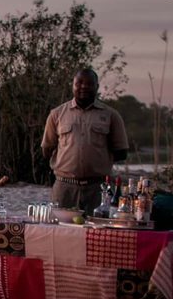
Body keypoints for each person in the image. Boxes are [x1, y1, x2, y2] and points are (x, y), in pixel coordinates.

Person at [41, 68, 130, 214]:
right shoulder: (57, 114)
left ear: (97, 86)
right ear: (73, 85)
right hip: (64, 188)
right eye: (79, 83)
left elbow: (121, 153)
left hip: (99, 188)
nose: (84, 87)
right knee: (61, 226)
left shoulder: (111, 115)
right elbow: (47, 150)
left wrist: (96, 161)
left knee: (99, 226)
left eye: (89, 84)